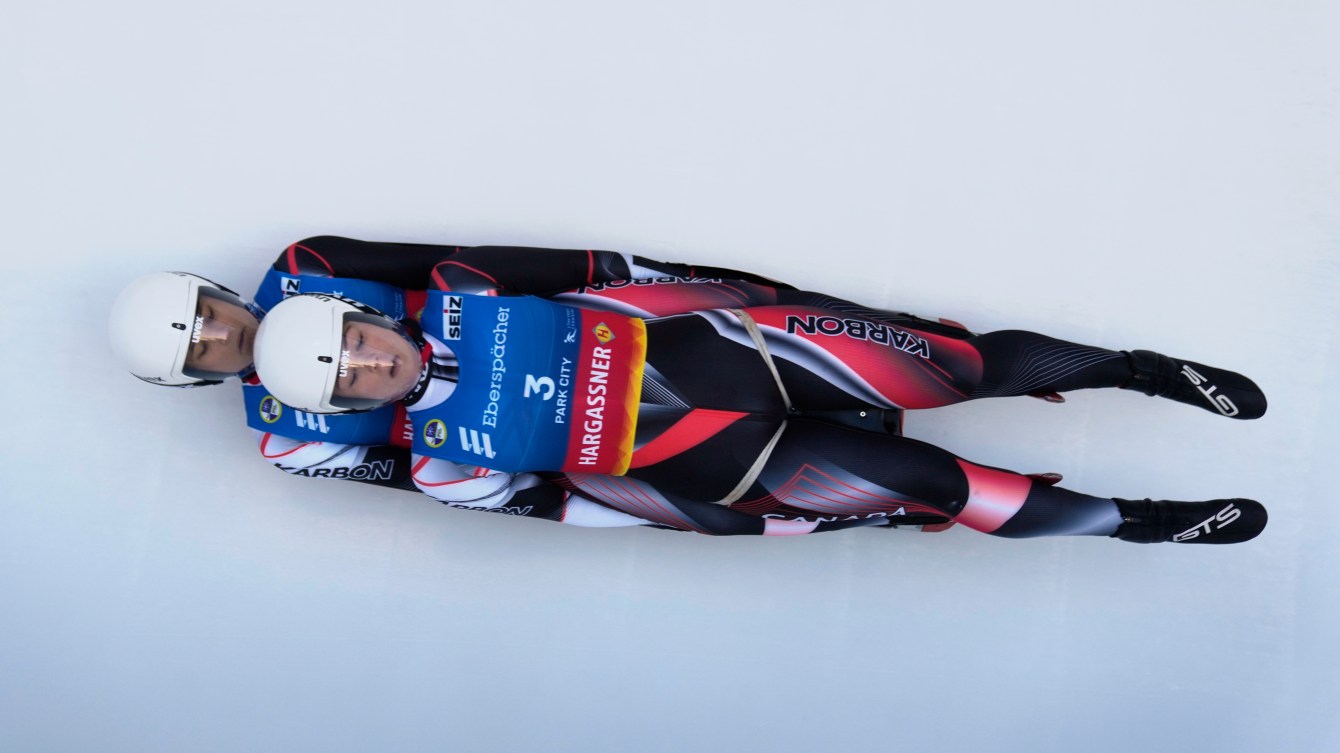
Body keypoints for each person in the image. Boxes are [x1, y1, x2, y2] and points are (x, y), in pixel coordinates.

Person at [251, 252, 1269, 544]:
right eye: (350, 375)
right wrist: (729, 525)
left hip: (732, 355)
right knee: (942, 487)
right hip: (716, 464)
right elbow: (563, 505)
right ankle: (1130, 524)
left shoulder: (468, 298)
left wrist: (745, 294)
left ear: (370, 314)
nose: (372, 361)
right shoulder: (437, 457)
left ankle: (1140, 369)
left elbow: (597, 272)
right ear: (348, 405)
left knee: (956, 367)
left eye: (361, 338)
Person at [108, 236, 804, 496]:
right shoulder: (281, 435)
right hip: (544, 432)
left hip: (577, 342)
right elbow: (408, 473)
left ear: (215, 290)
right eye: (199, 349)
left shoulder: (305, 266)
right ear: (195, 379)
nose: (220, 335)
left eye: (206, 314)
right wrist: (543, 485)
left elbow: (452, 263)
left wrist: (617, 276)